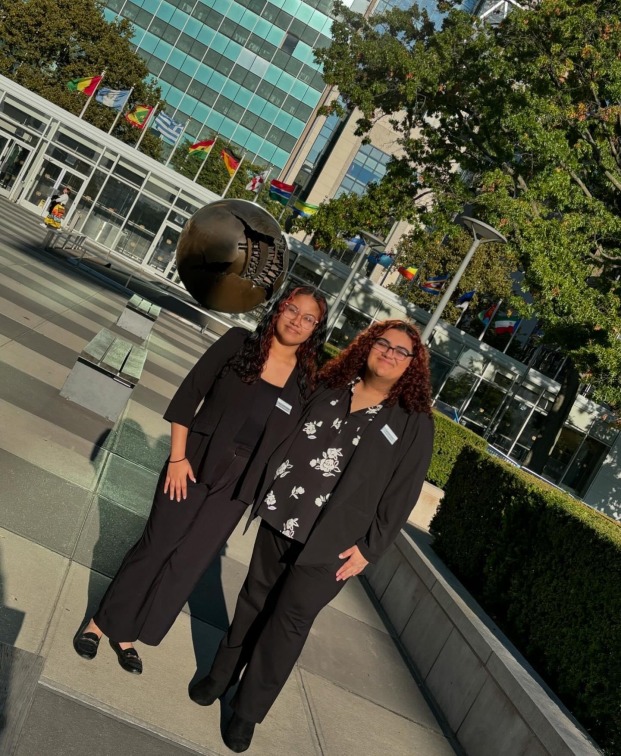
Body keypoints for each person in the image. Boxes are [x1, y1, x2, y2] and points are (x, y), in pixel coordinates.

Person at [190, 319, 434, 752]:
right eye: (384, 344)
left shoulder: (414, 423)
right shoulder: (332, 383)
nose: (390, 354)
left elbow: (403, 494)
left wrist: (370, 549)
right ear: (368, 345)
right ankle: (220, 674)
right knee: (253, 601)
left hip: (336, 545)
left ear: (413, 364)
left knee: (289, 624)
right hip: (284, 513)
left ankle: (247, 711)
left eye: (402, 351)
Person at [72, 286, 328, 674]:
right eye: (293, 309)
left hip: (241, 484)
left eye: (309, 318)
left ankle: (130, 634)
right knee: (156, 546)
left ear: (316, 329)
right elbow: (190, 393)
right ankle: (101, 623)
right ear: (278, 310)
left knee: (188, 561)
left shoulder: (309, 381)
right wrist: (177, 457)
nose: (297, 320)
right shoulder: (239, 343)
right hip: (194, 460)